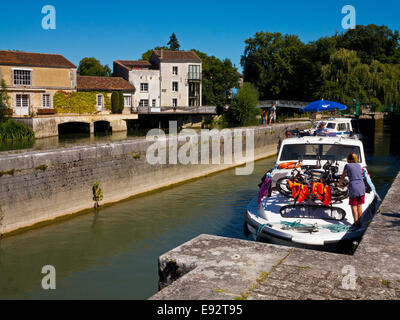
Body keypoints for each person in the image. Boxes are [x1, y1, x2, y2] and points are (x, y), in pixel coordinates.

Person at [339, 153, 366, 228]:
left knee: (354, 206)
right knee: (359, 205)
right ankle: (360, 222)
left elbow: (343, 176)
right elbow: (357, 176)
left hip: (354, 187)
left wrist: (339, 184)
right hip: (361, 186)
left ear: (348, 158)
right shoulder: (359, 165)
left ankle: (356, 223)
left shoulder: (347, 165)